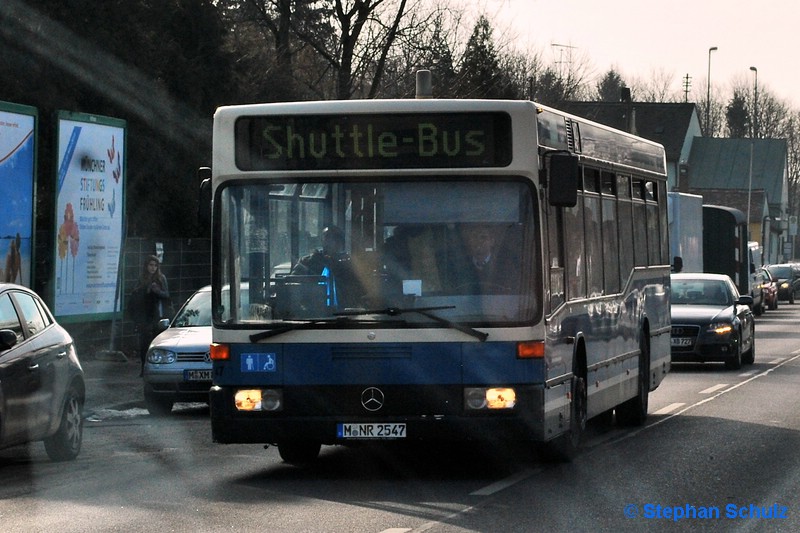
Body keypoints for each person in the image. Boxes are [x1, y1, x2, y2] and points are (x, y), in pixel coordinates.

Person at [130, 255, 170, 375]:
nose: (152, 268)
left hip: (157, 314)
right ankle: (144, 368)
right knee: (144, 343)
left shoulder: (161, 278)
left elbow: (167, 295)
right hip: (144, 314)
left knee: (157, 342)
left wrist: (157, 290)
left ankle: (158, 368)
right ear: (146, 266)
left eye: (155, 265)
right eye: (150, 265)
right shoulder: (142, 278)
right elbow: (135, 294)